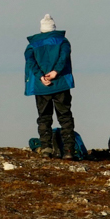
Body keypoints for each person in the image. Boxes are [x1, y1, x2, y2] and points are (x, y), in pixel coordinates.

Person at [24, 14, 75, 160]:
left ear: (42, 29)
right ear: (53, 27)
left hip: (41, 86)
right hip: (61, 84)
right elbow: (63, 57)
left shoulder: (32, 45)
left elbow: (30, 61)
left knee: (44, 117)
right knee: (65, 117)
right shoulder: (63, 42)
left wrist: (41, 76)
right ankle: (69, 150)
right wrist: (55, 72)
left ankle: (46, 149)